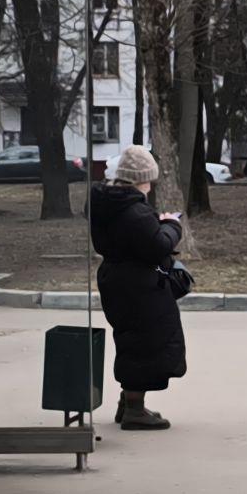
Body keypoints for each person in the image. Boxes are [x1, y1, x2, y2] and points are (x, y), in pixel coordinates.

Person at [89, 143, 187, 429]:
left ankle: (129, 402)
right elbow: (158, 246)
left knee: (131, 339)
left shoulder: (107, 204)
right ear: (140, 179)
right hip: (138, 286)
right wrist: (172, 225)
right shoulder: (134, 211)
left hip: (117, 280)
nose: (150, 186)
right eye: (149, 180)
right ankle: (134, 409)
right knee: (145, 342)